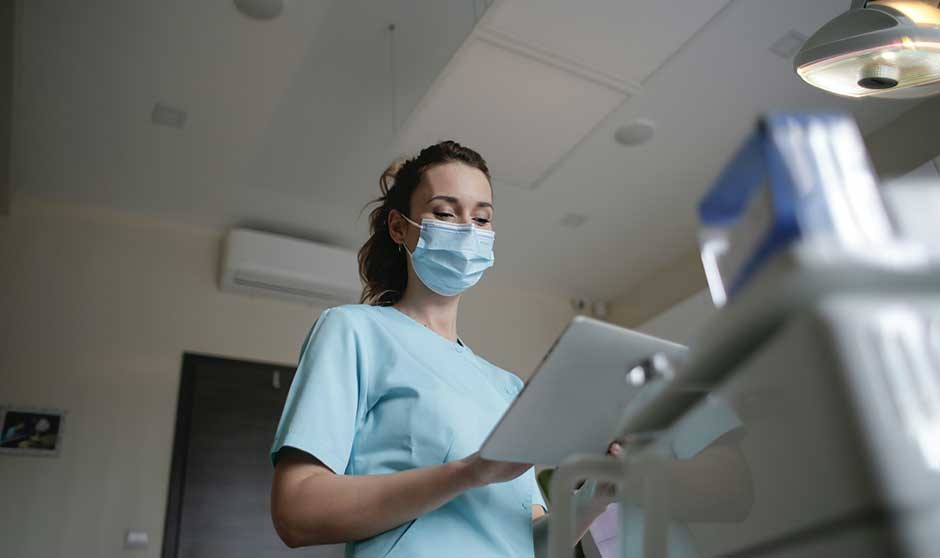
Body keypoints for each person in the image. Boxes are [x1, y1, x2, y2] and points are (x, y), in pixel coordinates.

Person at [269, 141, 612, 557]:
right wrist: (472, 471)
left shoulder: (507, 387)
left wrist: (598, 494)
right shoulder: (354, 332)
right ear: (399, 227)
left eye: (481, 218)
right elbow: (296, 511)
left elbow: (529, 544)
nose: (468, 230)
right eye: (446, 213)